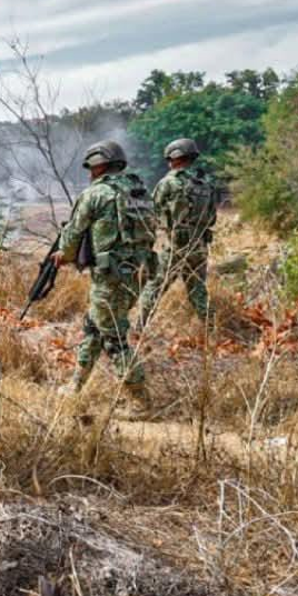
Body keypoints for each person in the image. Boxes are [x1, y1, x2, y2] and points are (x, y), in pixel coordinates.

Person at [51, 140, 157, 418]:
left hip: (110, 276)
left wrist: (64, 255)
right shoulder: (140, 191)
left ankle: (141, 402)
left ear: (99, 165)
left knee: (114, 338)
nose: (90, 174)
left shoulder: (97, 193)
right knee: (93, 327)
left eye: (91, 168)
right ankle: (76, 384)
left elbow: (73, 233)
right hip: (137, 274)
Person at [137, 138, 217, 329]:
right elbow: (212, 218)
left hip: (175, 247)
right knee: (198, 291)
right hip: (199, 246)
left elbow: (151, 213)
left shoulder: (169, 183)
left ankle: (138, 330)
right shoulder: (205, 184)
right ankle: (212, 330)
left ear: (174, 157)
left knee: (154, 287)